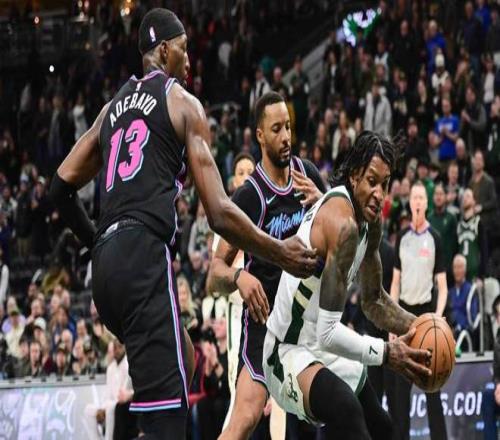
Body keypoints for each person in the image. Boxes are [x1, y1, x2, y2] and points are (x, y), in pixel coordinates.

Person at [49, 9, 316, 439]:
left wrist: (96, 243)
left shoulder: (110, 110)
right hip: (142, 257)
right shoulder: (182, 103)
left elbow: (58, 188)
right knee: (168, 424)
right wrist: (279, 251)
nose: (190, 60)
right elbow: (220, 213)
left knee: (186, 359)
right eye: (184, 49)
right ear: (163, 50)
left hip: (106, 273)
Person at [263, 131, 432, 440]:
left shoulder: (371, 222)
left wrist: (422, 327)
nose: (379, 194)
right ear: (354, 177)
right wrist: (386, 352)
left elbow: (373, 301)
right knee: (346, 408)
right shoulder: (342, 225)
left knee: (382, 427)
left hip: (318, 346)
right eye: (372, 181)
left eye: (384, 184)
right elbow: (328, 334)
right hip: (285, 351)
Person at [208, 92, 326, 440]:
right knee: (245, 418)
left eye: (288, 127)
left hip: (307, 319)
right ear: (260, 135)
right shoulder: (249, 196)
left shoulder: (308, 176)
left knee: (328, 413)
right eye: (276, 129)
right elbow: (214, 274)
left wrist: (324, 202)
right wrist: (239, 276)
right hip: (266, 323)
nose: (286, 137)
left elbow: (345, 235)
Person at [389, 181, 448, 439]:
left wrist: (438, 317)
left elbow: (443, 287)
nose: (417, 202)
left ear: (426, 203)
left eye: (421, 198)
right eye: (414, 197)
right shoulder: (401, 238)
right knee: (400, 395)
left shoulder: (435, 238)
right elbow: (395, 283)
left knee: (433, 390)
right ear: (410, 201)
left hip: (426, 315)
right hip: (403, 316)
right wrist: (391, 321)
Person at [208, 152, 255, 430]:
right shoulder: (225, 221)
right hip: (238, 311)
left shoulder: (268, 212)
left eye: (251, 171)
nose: (246, 177)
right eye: (241, 172)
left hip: (269, 309)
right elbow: (216, 276)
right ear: (233, 181)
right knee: (238, 390)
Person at [84, 340, 133, 440]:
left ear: (124, 348)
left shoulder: (128, 365)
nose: (116, 350)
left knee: (110, 408)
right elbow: (108, 393)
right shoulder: (110, 368)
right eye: (114, 348)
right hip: (110, 403)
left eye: (119, 347)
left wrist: (107, 407)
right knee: (88, 410)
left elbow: (122, 394)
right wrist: (102, 409)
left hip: (122, 404)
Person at [457, 188, 488, 281]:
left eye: (468, 196)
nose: (465, 199)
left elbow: (484, 250)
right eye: (463, 197)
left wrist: (481, 275)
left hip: (474, 275)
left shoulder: (478, 222)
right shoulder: (459, 224)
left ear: (474, 201)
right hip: (460, 274)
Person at [481, 295, 500, 440]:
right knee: (488, 396)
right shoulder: (498, 341)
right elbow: (496, 373)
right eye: (498, 314)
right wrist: (498, 386)